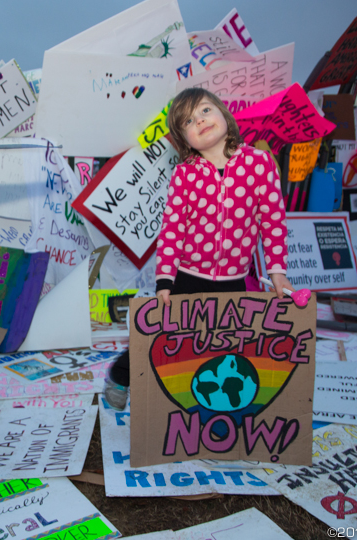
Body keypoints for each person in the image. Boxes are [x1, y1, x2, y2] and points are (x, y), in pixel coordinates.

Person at [103, 88, 294, 411]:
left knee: (224, 350)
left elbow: (273, 223)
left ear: (222, 112)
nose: (201, 121)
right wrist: (165, 281)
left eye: (205, 110)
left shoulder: (259, 164)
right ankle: (121, 374)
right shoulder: (184, 174)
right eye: (189, 120)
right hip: (186, 278)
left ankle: (216, 409)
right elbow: (172, 230)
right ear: (184, 139)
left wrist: (278, 274)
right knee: (163, 339)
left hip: (233, 281)